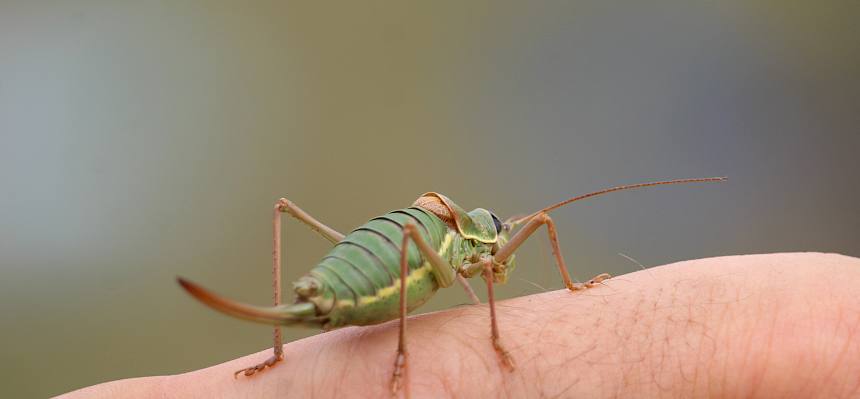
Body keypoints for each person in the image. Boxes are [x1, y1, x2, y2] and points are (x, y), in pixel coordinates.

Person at [59, 253, 860, 398]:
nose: (494, 259)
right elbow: (429, 247)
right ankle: (281, 347)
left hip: (407, 247)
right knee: (414, 243)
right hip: (387, 267)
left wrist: (579, 287)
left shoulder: (478, 242)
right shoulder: (447, 249)